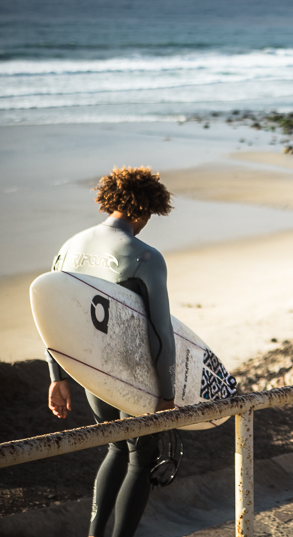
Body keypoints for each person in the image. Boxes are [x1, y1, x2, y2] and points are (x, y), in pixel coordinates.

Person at [46, 166, 176, 537]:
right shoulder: (144, 256)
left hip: (91, 374)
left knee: (116, 450)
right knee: (141, 458)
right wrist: (167, 395)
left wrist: (57, 378)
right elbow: (160, 333)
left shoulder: (70, 246)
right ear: (146, 209)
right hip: (137, 377)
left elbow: (52, 315)